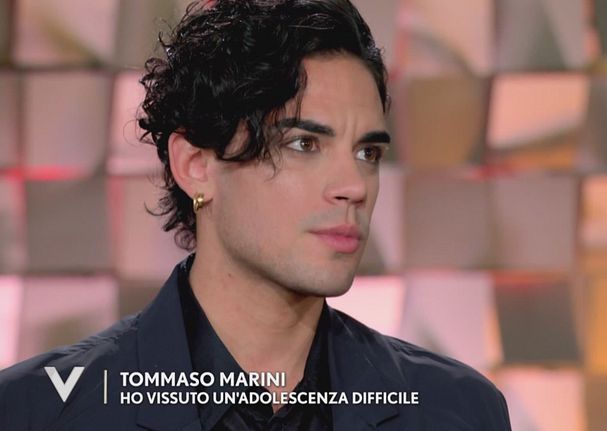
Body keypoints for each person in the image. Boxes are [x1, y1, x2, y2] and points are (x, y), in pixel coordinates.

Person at [0, 0, 512, 429]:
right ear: (196, 166)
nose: (354, 187)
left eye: (367, 152)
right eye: (305, 144)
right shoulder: (37, 413)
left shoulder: (457, 411)